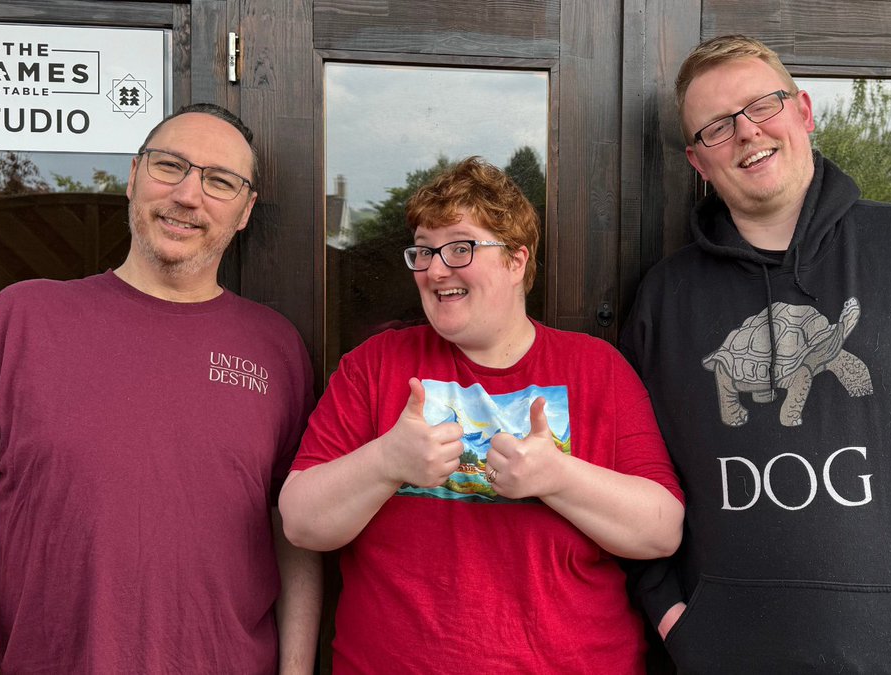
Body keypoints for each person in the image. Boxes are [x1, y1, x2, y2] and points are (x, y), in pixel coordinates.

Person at [620, 35, 891, 674]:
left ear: (802, 111)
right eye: (717, 127)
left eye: (762, 106)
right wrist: (674, 615)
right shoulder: (667, 297)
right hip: (726, 655)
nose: (746, 133)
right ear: (698, 161)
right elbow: (629, 466)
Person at [0, 103, 320, 674]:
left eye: (220, 181)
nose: (189, 196)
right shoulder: (24, 319)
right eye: (170, 166)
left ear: (244, 212)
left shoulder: (276, 349)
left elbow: (293, 532)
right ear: (133, 176)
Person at [279, 156, 685, 673]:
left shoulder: (596, 367)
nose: (435, 268)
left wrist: (557, 476)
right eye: (423, 251)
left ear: (517, 261)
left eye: (460, 247)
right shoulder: (375, 364)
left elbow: (660, 530)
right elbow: (301, 522)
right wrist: (386, 461)